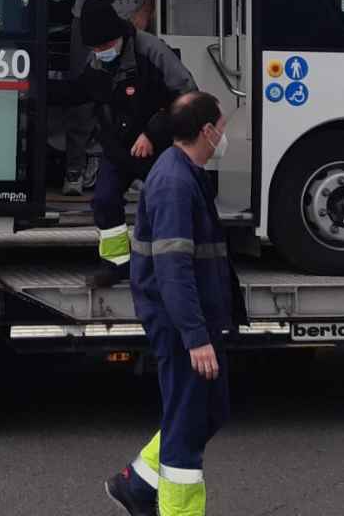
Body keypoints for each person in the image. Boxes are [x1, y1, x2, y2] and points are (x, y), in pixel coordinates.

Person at [105, 92, 235, 516]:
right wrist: (195, 337)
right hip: (182, 326)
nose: (225, 134)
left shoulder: (183, 171)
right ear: (207, 131)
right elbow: (174, 270)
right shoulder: (175, 183)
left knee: (210, 410)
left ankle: (138, 484)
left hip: (193, 322)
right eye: (223, 125)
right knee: (188, 424)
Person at [59, 0, 196, 285]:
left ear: (117, 36)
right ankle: (116, 264)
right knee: (105, 201)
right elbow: (81, 91)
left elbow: (187, 98)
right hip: (118, 147)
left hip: (158, 148)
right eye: (94, 49)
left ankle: (168, 267)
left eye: (103, 47)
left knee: (163, 205)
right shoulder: (96, 58)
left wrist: (152, 133)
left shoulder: (151, 51)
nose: (99, 53)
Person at [64, 0, 158, 197]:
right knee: (84, 99)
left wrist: (146, 10)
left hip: (128, 30)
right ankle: (75, 169)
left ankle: (131, 169)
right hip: (90, 31)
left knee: (132, 100)